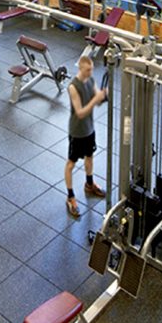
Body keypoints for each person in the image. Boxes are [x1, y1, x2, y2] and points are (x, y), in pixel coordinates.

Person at [65, 55, 106, 218]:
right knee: (71, 164)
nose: (90, 72)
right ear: (80, 68)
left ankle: (89, 184)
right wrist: (96, 99)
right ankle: (70, 197)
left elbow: (98, 100)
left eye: (92, 70)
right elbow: (80, 113)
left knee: (90, 157)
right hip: (77, 131)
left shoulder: (91, 80)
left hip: (89, 129)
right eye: (88, 70)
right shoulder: (73, 87)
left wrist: (103, 96)